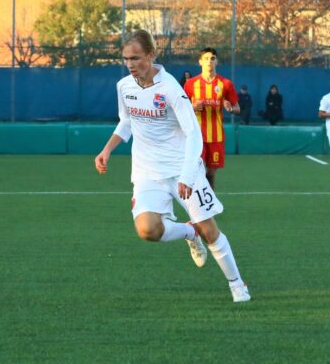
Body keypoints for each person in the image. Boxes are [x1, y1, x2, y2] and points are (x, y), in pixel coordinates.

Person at [94, 30, 250, 303]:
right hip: (147, 172)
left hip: (182, 169)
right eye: (125, 59)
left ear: (151, 55)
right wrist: (107, 149)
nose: (130, 65)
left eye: (136, 58)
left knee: (211, 231)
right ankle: (189, 232)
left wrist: (189, 176)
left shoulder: (170, 88)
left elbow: (193, 133)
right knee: (147, 230)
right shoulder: (124, 87)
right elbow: (127, 121)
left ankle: (237, 284)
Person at [183, 47, 240, 190]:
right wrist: (192, 106)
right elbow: (180, 109)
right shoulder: (190, 84)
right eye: (206, 58)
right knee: (197, 172)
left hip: (216, 137)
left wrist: (230, 109)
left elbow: (237, 108)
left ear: (217, 61)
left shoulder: (225, 84)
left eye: (212, 58)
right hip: (196, 137)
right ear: (200, 62)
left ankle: (209, 202)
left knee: (211, 174)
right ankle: (198, 204)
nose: (209, 61)